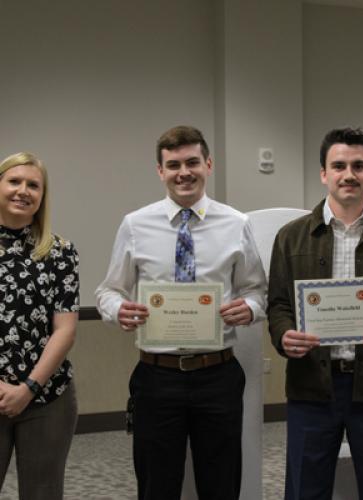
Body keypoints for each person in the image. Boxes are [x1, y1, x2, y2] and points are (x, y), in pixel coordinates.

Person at [95, 125, 266, 500]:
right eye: (173, 165)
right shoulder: (135, 224)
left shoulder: (236, 224)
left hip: (218, 373)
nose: (183, 172)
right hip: (157, 376)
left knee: (221, 481)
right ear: (160, 171)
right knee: (157, 484)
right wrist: (118, 310)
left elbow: (258, 290)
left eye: (192, 162)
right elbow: (108, 291)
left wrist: (249, 309)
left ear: (208, 164)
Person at [267, 127, 363, 500]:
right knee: (306, 488)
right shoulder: (291, 237)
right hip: (312, 386)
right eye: (338, 165)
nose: (348, 174)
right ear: (324, 173)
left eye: (359, 165)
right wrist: (283, 334)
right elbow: (278, 305)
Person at [0, 152, 80, 499]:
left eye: (34, 185)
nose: (23, 191)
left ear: (42, 196)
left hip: (47, 397)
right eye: (14, 181)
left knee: (43, 494)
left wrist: (29, 387)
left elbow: (65, 329)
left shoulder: (60, 251)